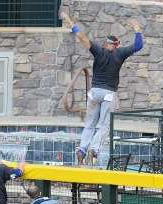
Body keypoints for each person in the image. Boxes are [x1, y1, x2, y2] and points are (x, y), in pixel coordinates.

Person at [61, 12, 143, 166]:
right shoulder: (121, 53)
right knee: (104, 125)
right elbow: (138, 46)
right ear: (117, 45)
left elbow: (82, 38)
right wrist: (137, 29)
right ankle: (94, 149)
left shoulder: (99, 51)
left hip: (94, 93)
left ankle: (82, 150)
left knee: (89, 124)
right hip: (109, 94)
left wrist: (70, 22)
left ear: (106, 44)